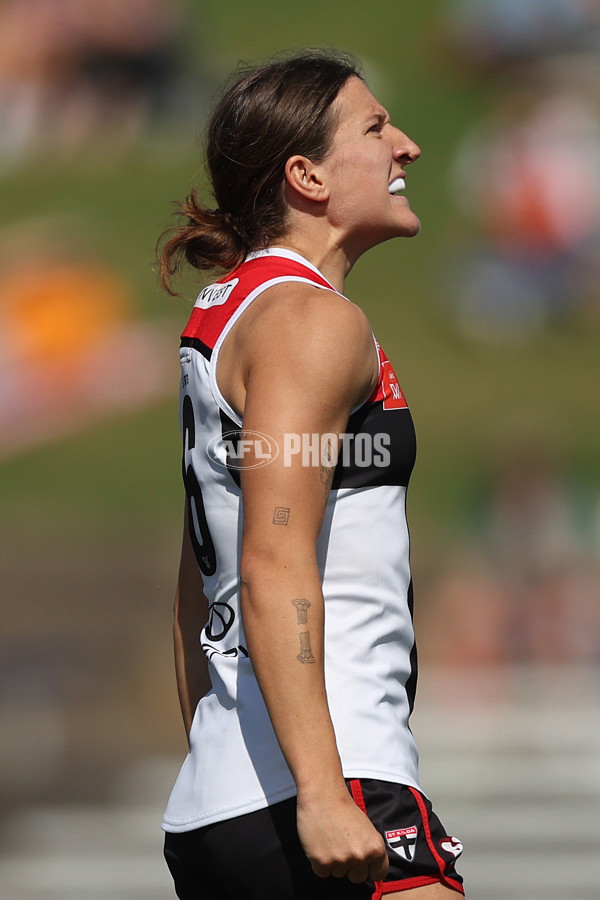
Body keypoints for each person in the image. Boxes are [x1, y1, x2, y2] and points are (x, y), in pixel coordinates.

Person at [158, 50, 465, 900]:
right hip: (331, 783)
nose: (406, 146)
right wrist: (325, 795)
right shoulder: (310, 321)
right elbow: (271, 561)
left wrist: (224, 765)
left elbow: (195, 585)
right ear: (307, 176)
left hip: (227, 800)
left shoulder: (229, 312)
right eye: (375, 129)